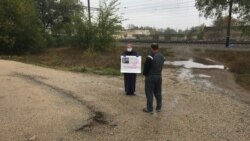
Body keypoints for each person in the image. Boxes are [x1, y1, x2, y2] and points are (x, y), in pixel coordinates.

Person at [143, 43, 165, 113]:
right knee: (158, 92)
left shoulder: (150, 57)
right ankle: (158, 108)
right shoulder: (162, 56)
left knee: (149, 93)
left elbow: (146, 68)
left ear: (152, 48)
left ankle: (149, 109)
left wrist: (145, 74)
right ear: (158, 48)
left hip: (150, 77)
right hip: (159, 77)